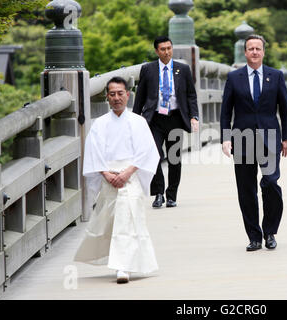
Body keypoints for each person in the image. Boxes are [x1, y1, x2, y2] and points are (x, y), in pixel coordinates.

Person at [74, 77, 160, 284]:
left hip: (130, 178)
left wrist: (128, 172)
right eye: (112, 94)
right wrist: (105, 173)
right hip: (109, 177)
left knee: (128, 220)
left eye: (120, 93)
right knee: (111, 223)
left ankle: (123, 267)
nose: (116, 98)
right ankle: (122, 262)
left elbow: (147, 151)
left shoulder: (138, 122)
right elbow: (93, 152)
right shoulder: (100, 124)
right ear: (107, 97)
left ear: (127, 95)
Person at [220, 34, 287, 252]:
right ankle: (254, 236)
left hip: (270, 139)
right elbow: (225, 111)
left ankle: (270, 231)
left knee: (270, 183)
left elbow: (285, 110)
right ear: (245, 52)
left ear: (263, 52)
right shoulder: (234, 78)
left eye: (258, 49)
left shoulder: (276, 75)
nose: (254, 52)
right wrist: (225, 138)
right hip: (242, 139)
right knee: (246, 189)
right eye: (250, 48)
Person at [133, 36, 199, 209]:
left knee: (174, 159)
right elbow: (140, 96)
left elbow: (191, 95)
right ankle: (159, 193)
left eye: (169, 48)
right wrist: (134, 120)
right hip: (154, 119)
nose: (167, 52)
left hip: (176, 118)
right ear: (156, 51)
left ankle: (172, 195)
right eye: (163, 49)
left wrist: (194, 116)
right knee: (153, 156)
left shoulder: (183, 69)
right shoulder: (148, 69)